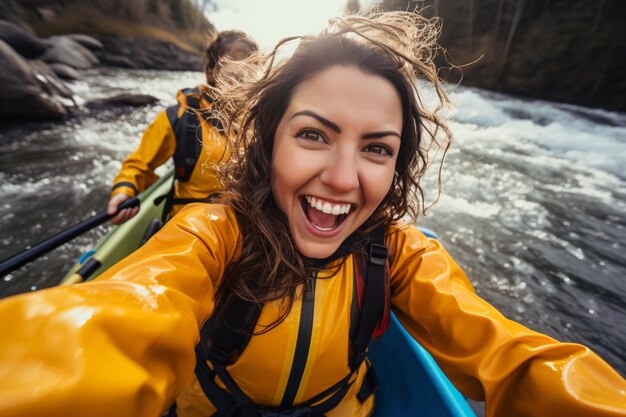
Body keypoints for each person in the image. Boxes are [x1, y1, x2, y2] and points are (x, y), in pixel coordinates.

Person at [1, 10, 625, 417]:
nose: (344, 178)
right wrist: (129, 186)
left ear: (397, 164)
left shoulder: (402, 254)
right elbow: (120, 316)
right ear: (267, 138)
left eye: (377, 148)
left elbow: (515, 356)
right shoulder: (210, 232)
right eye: (313, 136)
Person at [107, 30, 258, 224]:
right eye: (235, 59)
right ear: (211, 71)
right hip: (189, 225)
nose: (244, 69)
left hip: (241, 221)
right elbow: (139, 165)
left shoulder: (258, 122)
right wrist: (124, 191)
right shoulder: (179, 117)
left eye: (252, 63)